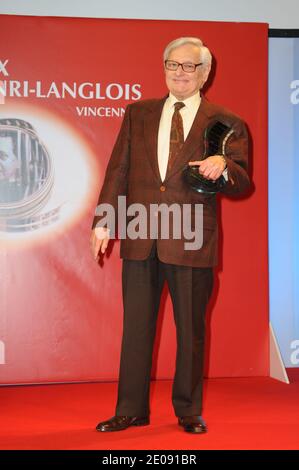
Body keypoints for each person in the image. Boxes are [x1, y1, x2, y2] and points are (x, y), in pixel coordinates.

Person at [90, 37, 250, 433]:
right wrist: (104, 221)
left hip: (192, 239)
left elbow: (242, 181)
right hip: (142, 235)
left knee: (191, 332)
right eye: (172, 64)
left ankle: (188, 411)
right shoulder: (138, 113)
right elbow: (118, 170)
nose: (179, 72)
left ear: (205, 72)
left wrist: (223, 164)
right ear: (164, 67)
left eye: (189, 66)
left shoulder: (225, 122)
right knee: (137, 329)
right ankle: (131, 409)